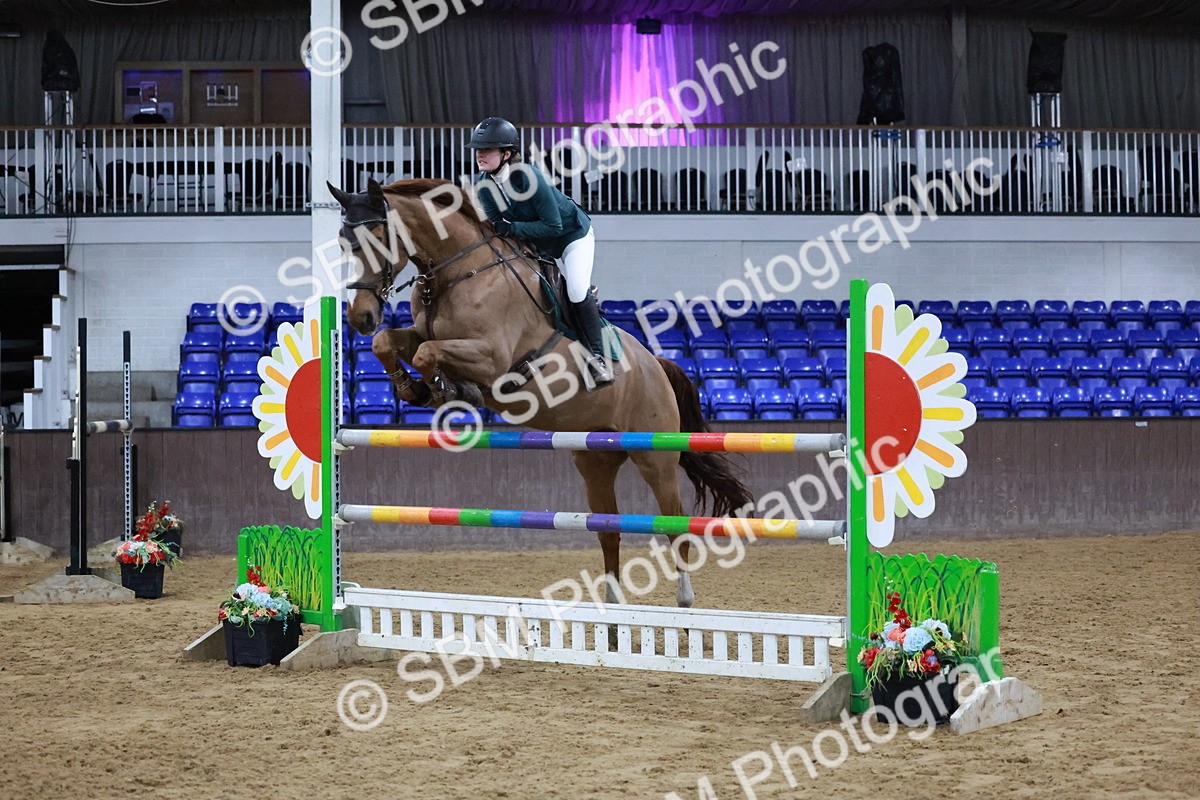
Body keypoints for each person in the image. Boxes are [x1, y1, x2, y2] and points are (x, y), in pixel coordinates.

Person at [468, 116, 613, 389]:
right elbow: (499, 228)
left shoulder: (530, 177)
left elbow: (553, 225)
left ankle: (597, 359)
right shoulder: (484, 185)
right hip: (537, 244)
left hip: (571, 236)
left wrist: (512, 228)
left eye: (486, 149)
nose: (479, 154)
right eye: (478, 149)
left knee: (576, 291)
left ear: (507, 154)